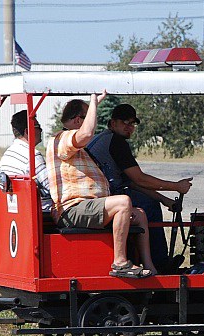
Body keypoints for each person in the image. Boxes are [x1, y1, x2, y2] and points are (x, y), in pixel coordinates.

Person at [47, 93, 156, 279]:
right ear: (77, 119)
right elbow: (86, 133)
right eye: (88, 115)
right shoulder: (63, 139)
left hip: (87, 206)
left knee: (140, 215)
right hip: (73, 208)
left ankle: (150, 267)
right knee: (123, 202)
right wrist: (94, 104)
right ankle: (120, 262)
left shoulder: (77, 149)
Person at [86, 103, 193, 273]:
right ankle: (159, 263)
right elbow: (140, 179)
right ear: (113, 123)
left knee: (150, 201)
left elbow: (132, 182)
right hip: (104, 197)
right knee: (149, 206)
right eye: (125, 123)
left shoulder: (103, 138)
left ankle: (147, 259)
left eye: (132, 124)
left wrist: (165, 200)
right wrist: (176, 187)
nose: (129, 128)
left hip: (101, 195)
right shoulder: (116, 142)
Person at [0, 110, 52, 213]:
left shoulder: (7, 155)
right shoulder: (33, 156)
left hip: (18, 211)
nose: (41, 130)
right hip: (42, 212)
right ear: (28, 131)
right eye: (38, 127)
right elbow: (52, 187)